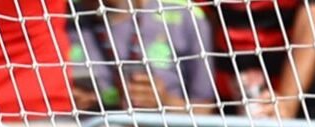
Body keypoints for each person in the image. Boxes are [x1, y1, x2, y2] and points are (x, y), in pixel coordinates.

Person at [68, 0, 218, 114]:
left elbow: (205, 110)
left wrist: (166, 102)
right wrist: (65, 100)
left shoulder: (183, 13)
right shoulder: (61, 14)